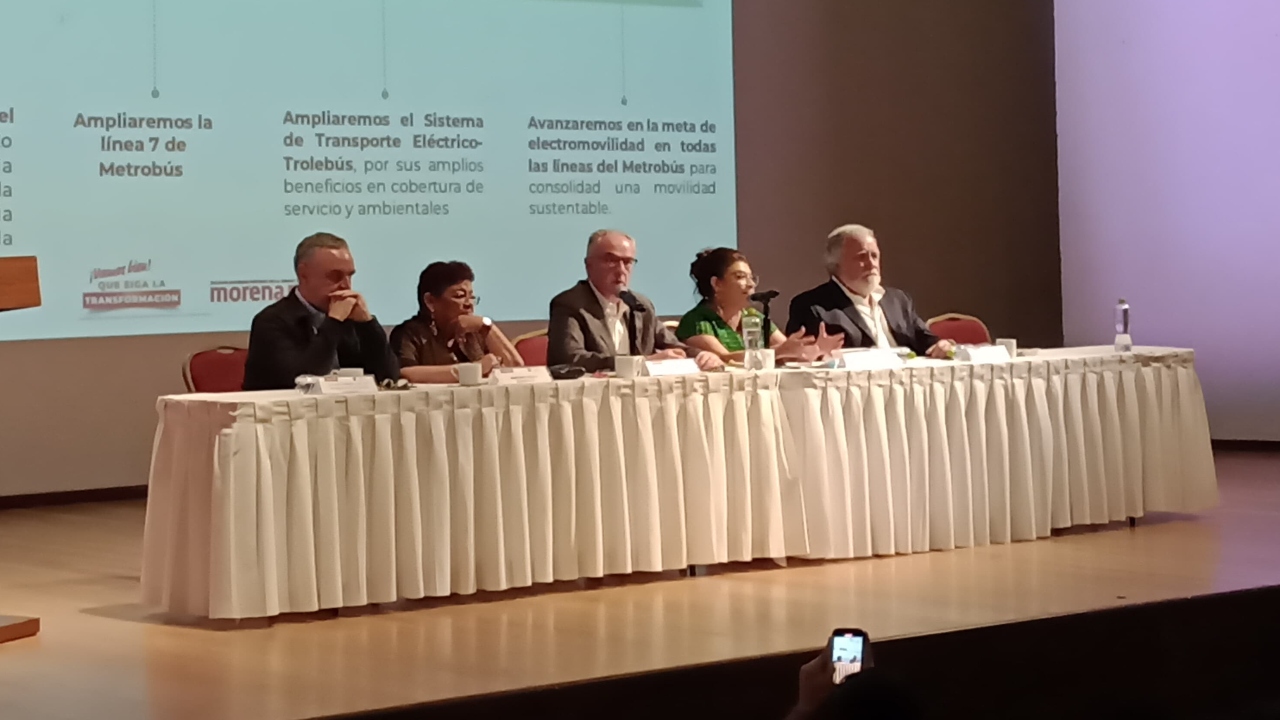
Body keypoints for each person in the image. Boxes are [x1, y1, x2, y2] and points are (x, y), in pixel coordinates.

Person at [547, 229, 724, 373]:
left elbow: (672, 345)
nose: (621, 270)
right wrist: (642, 362)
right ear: (589, 265)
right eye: (611, 261)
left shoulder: (640, 304)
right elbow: (570, 359)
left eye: (628, 262)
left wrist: (701, 355)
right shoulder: (569, 304)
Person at [242, 232, 399, 390]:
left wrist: (368, 323)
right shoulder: (272, 321)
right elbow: (303, 381)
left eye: (349, 276)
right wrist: (334, 322)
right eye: (335, 276)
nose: (346, 286)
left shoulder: (350, 319)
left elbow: (389, 377)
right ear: (304, 275)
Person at [786, 224, 955, 359]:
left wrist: (940, 345)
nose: (871, 263)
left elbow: (925, 339)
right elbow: (800, 359)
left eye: (874, 256)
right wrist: (815, 353)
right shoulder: (812, 306)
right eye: (861, 257)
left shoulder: (898, 300)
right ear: (836, 264)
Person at [676, 247, 843, 363]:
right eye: (740, 277)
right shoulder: (697, 321)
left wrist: (814, 349)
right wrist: (778, 352)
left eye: (751, 278)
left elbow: (786, 351)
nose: (750, 284)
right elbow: (723, 359)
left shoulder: (753, 317)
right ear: (717, 283)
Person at [389, 261, 523, 383]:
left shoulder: (476, 331)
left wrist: (487, 325)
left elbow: (516, 368)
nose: (469, 304)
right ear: (430, 301)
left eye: (472, 297)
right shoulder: (409, 333)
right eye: (460, 296)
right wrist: (474, 369)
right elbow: (405, 373)